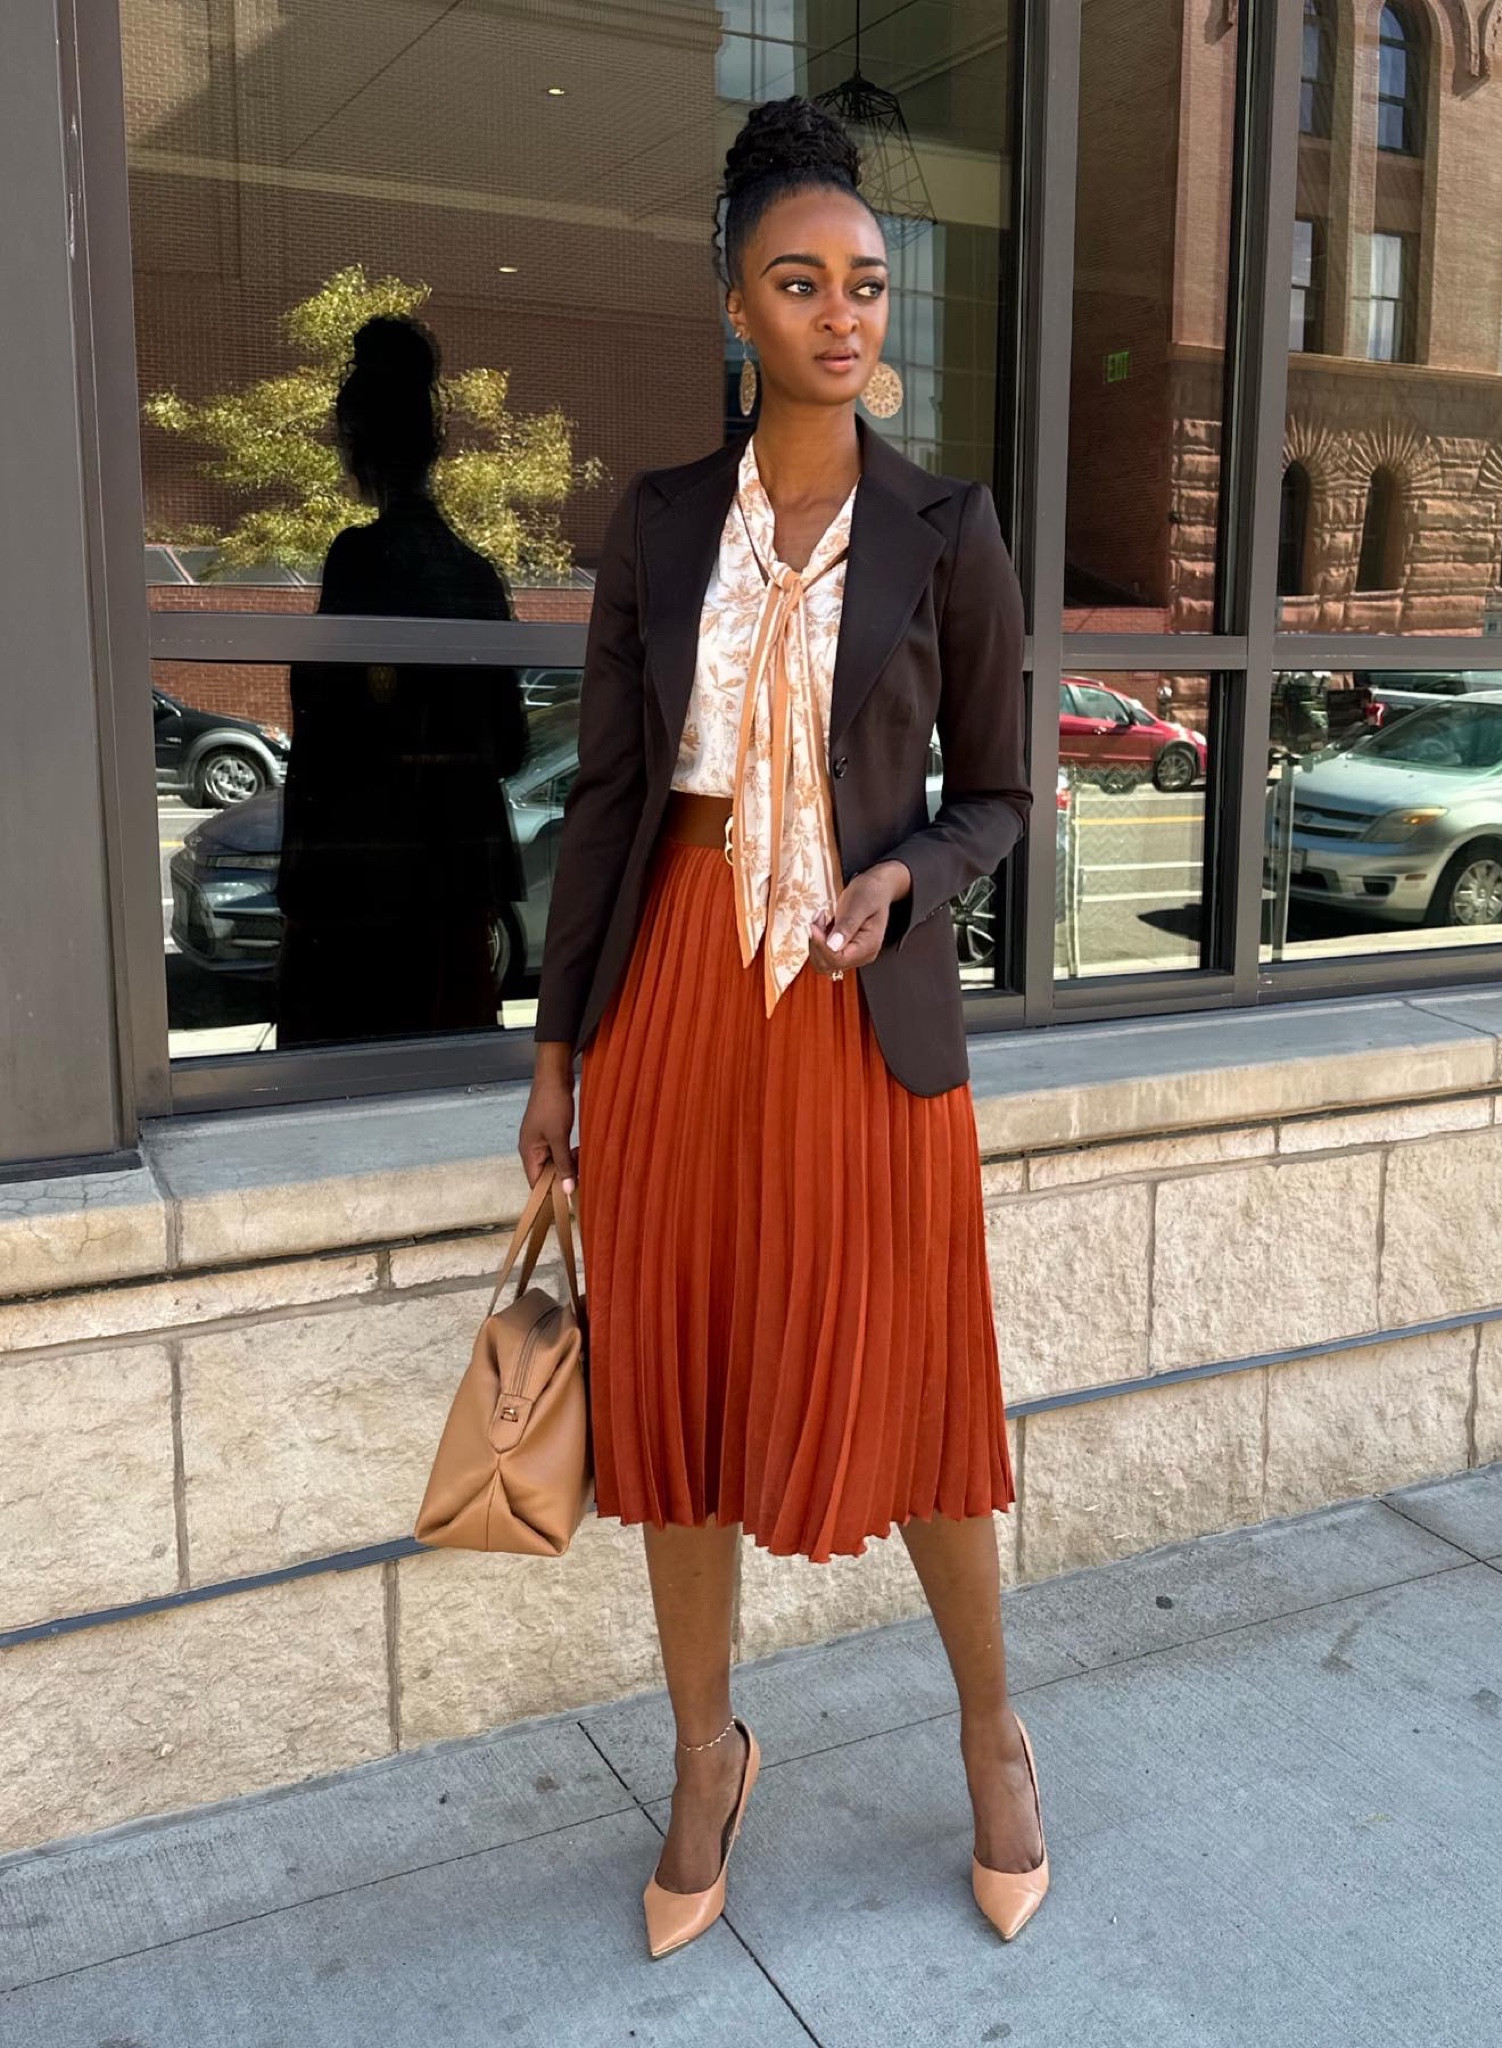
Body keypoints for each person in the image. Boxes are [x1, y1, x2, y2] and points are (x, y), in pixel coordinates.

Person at [517, 97, 1048, 1956]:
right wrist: (556, 1052)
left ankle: (990, 1735)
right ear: (733, 304)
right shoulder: (660, 524)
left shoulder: (946, 527)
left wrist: (907, 873)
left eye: (867, 284)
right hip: (674, 1000)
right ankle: (703, 1755)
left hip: (858, 1015)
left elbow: (1001, 791)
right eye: (799, 282)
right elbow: (607, 802)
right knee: (676, 1394)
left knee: (920, 1390)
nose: (842, 314)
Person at [275, 314, 527, 1047]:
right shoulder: (473, 575)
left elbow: (324, 730)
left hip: (361, 888)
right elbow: (508, 744)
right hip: (453, 884)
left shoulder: (360, 560)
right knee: (443, 1069)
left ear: (356, 444)